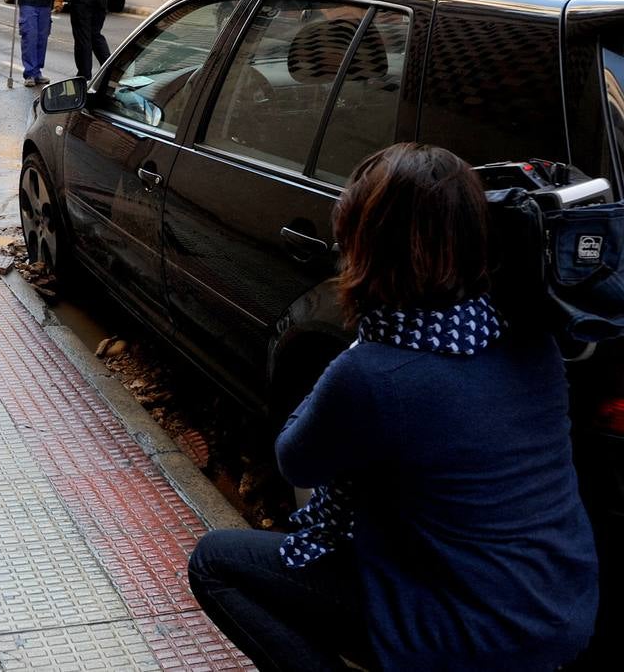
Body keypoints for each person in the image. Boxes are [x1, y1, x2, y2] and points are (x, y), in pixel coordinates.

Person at [188, 143, 598, 672]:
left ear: (371, 252)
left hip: (467, 628)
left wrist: (364, 343)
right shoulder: (528, 337)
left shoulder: (377, 373)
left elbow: (296, 459)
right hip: (560, 610)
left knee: (215, 562)